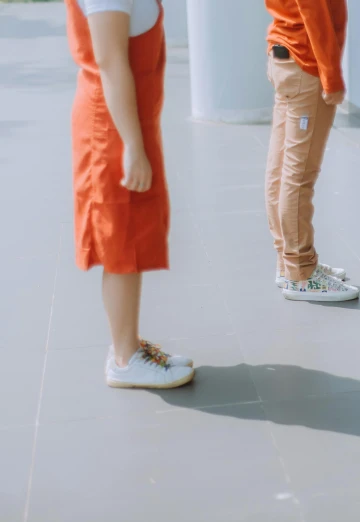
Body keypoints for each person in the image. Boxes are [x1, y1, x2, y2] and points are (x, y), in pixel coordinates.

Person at [65, 0, 194, 388]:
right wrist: (132, 146)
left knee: (132, 232)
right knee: (120, 241)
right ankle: (123, 359)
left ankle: (128, 343)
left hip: (125, 123)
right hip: (112, 130)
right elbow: (109, 60)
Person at [265, 0, 359, 302]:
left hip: (286, 55)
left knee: (281, 170)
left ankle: (288, 263)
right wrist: (331, 76)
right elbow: (312, 8)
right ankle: (301, 274)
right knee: (298, 174)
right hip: (306, 63)